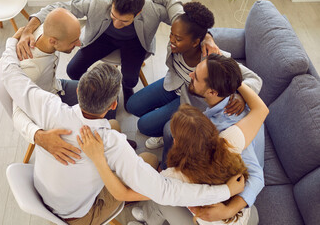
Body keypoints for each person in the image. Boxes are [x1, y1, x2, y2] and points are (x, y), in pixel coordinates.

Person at [1, 34, 245, 224]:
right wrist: (225, 191)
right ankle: (129, 175)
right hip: (79, 215)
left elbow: (11, 75)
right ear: (113, 104)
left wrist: (17, 39)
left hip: (42, 192)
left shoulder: (49, 106)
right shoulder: (111, 144)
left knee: (116, 127)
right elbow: (166, 191)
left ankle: (123, 169)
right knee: (148, 158)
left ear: (78, 91)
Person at [77, 80, 268, 224]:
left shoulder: (173, 178)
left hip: (206, 220)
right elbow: (261, 110)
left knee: (160, 199)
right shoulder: (229, 141)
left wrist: (97, 158)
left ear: (177, 142)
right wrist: (236, 81)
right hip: (242, 217)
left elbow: (124, 194)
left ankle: (149, 220)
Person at [16, 0, 220, 107]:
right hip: (102, 38)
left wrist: (207, 37)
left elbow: (188, 21)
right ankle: (91, 93)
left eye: (124, 21)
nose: (117, 23)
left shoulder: (153, 11)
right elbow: (56, 8)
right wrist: (28, 28)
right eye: (113, 16)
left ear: (138, 13)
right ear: (112, 2)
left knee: (130, 80)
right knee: (72, 69)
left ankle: (125, 88)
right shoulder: (97, 1)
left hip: (135, 43)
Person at [126, 2, 262, 149]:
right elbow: (168, 0)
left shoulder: (213, 59)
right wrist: (208, 36)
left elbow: (255, 79)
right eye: (171, 34)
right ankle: (163, 116)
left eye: (178, 38)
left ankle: (163, 130)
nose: (172, 40)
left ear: (195, 42)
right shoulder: (177, 42)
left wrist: (242, 95)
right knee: (132, 105)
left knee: (144, 126)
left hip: (190, 99)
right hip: (174, 83)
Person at [160, 54, 266, 223]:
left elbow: (257, 177)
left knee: (164, 197)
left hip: (227, 176)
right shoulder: (235, 97)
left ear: (212, 92)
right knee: (168, 130)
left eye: (196, 77)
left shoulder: (225, 131)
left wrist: (228, 210)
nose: (190, 75)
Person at [9, 8, 82, 165]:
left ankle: (109, 134)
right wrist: (39, 136)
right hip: (45, 108)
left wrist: (26, 29)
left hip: (56, 87)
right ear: (54, 41)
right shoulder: (31, 69)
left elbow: (49, 9)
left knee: (105, 97)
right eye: (73, 41)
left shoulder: (43, 29)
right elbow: (17, 113)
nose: (79, 43)